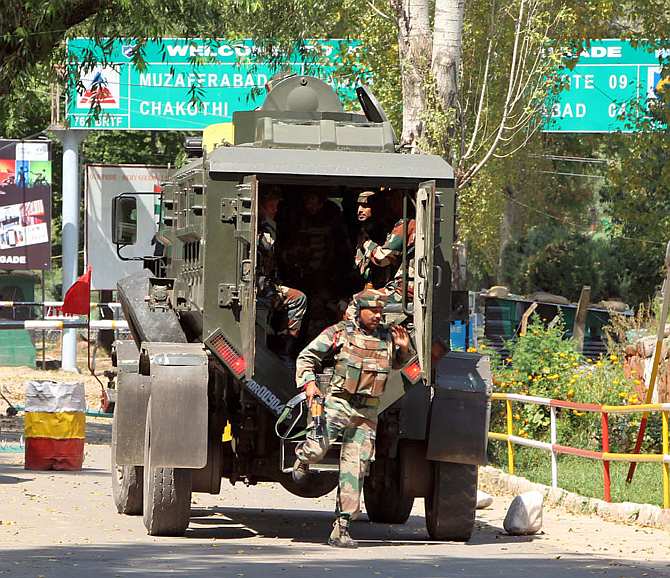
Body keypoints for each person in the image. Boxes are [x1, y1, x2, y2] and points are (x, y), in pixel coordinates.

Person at [292, 288, 413, 548]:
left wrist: (403, 350)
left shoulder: (388, 338)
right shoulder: (339, 333)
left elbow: (398, 365)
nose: (378, 316)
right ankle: (302, 459)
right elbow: (306, 357)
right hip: (337, 404)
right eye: (373, 311)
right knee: (316, 449)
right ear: (359, 312)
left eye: (381, 311)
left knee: (355, 469)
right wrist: (310, 384)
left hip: (367, 412)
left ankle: (342, 528)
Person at [258, 188, 307, 363]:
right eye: (272, 206)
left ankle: (282, 343)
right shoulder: (261, 227)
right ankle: (284, 348)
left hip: (266, 285)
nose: (275, 210)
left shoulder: (266, 226)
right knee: (298, 299)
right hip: (258, 289)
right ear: (261, 205)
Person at [353, 190, 393, 289]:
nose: (359, 210)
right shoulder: (362, 230)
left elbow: (383, 259)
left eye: (365, 206)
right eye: (359, 206)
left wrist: (367, 244)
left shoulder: (386, 231)